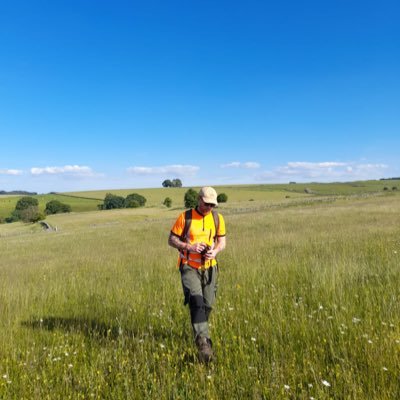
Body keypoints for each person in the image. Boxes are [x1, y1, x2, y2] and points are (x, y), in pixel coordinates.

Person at [168, 186, 226, 362]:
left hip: (210, 267)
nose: (209, 207)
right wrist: (189, 247)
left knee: (207, 305)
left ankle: (199, 330)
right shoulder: (185, 217)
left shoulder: (217, 218)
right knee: (196, 301)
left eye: (212, 205)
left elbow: (222, 241)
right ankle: (204, 347)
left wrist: (214, 252)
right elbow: (171, 239)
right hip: (188, 266)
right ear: (199, 199)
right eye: (206, 203)